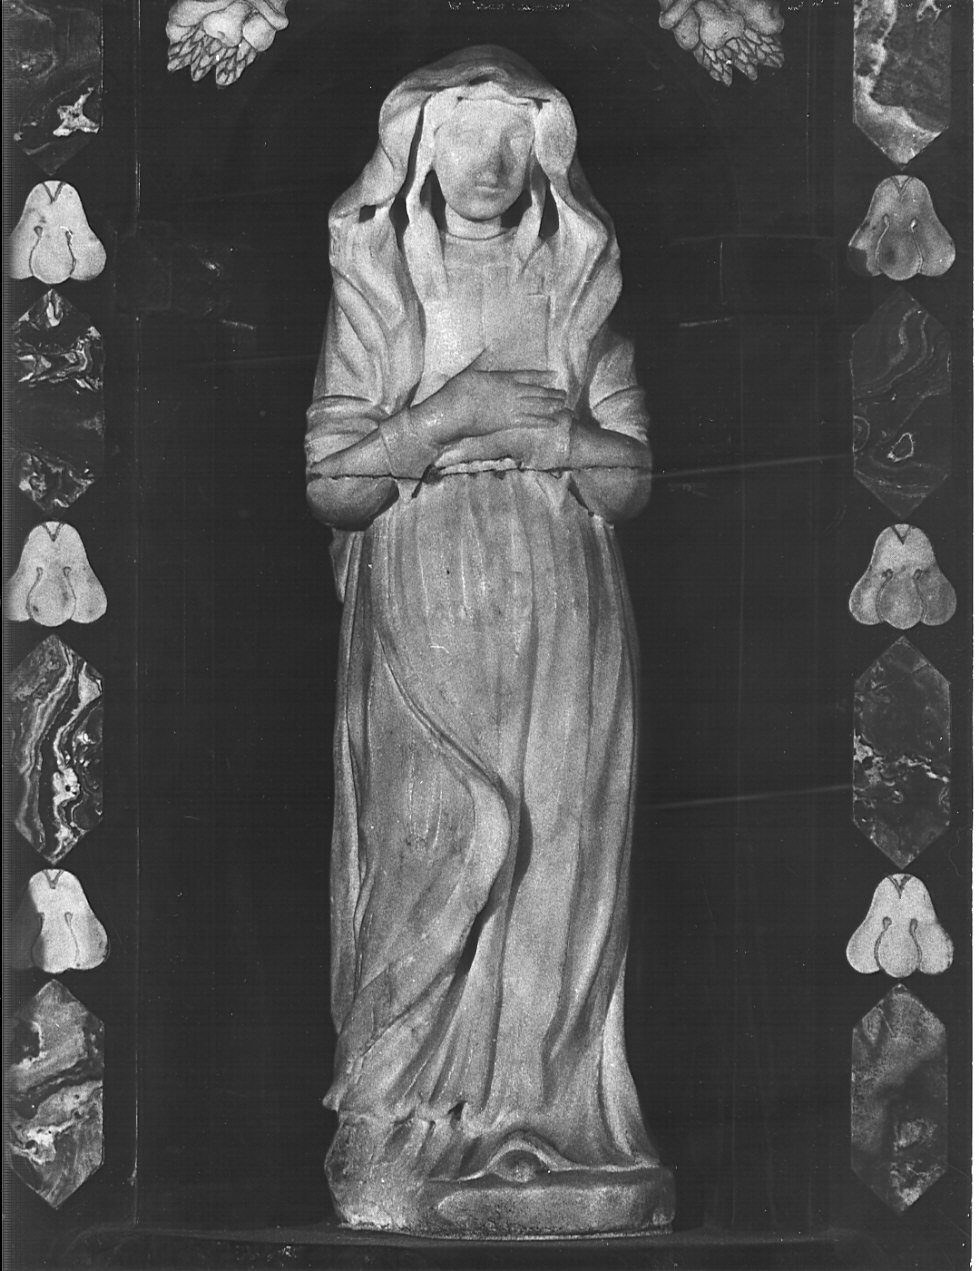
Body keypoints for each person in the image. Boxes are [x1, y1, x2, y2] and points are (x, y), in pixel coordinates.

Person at [305, 44, 673, 1235]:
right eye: (465, 133)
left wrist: (554, 439)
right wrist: (446, 417)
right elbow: (332, 482)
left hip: (566, 611)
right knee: (433, 843)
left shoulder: (576, 287)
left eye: (515, 137)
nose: (490, 161)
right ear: (419, 148)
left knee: (558, 855)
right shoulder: (380, 285)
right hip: (425, 605)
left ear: (546, 152)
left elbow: (630, 477)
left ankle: (547, 1123)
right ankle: (400, 1122)